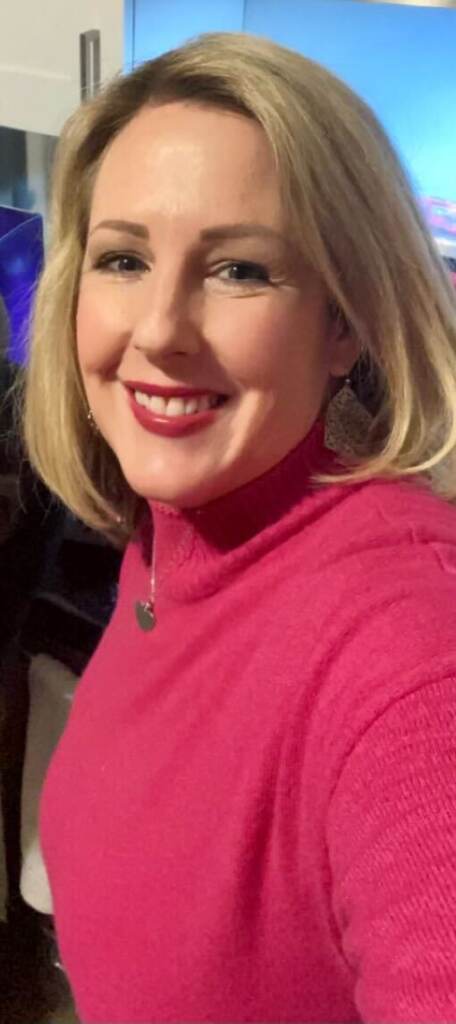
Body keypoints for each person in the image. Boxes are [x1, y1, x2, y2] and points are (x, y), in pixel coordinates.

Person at [20, 31, 456, 1024]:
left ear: (343, 322)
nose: (160, 329)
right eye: (124, 257)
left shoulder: (410, 655)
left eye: (241, 271)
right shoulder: (171, 536)